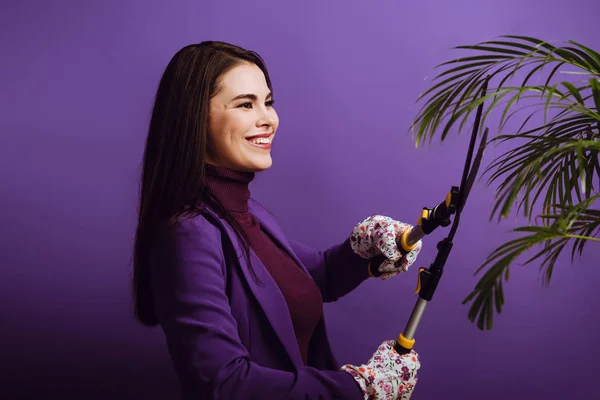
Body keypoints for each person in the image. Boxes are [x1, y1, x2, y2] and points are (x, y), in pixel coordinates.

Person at [132, 41, 424, 400]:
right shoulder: (189, 232)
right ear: (194, 117)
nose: (269, 119)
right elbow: (222, 384)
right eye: (245, 104)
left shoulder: (243, 211)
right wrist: (357, 389)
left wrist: (366, 248)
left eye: (267, 102)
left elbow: (311, 278)